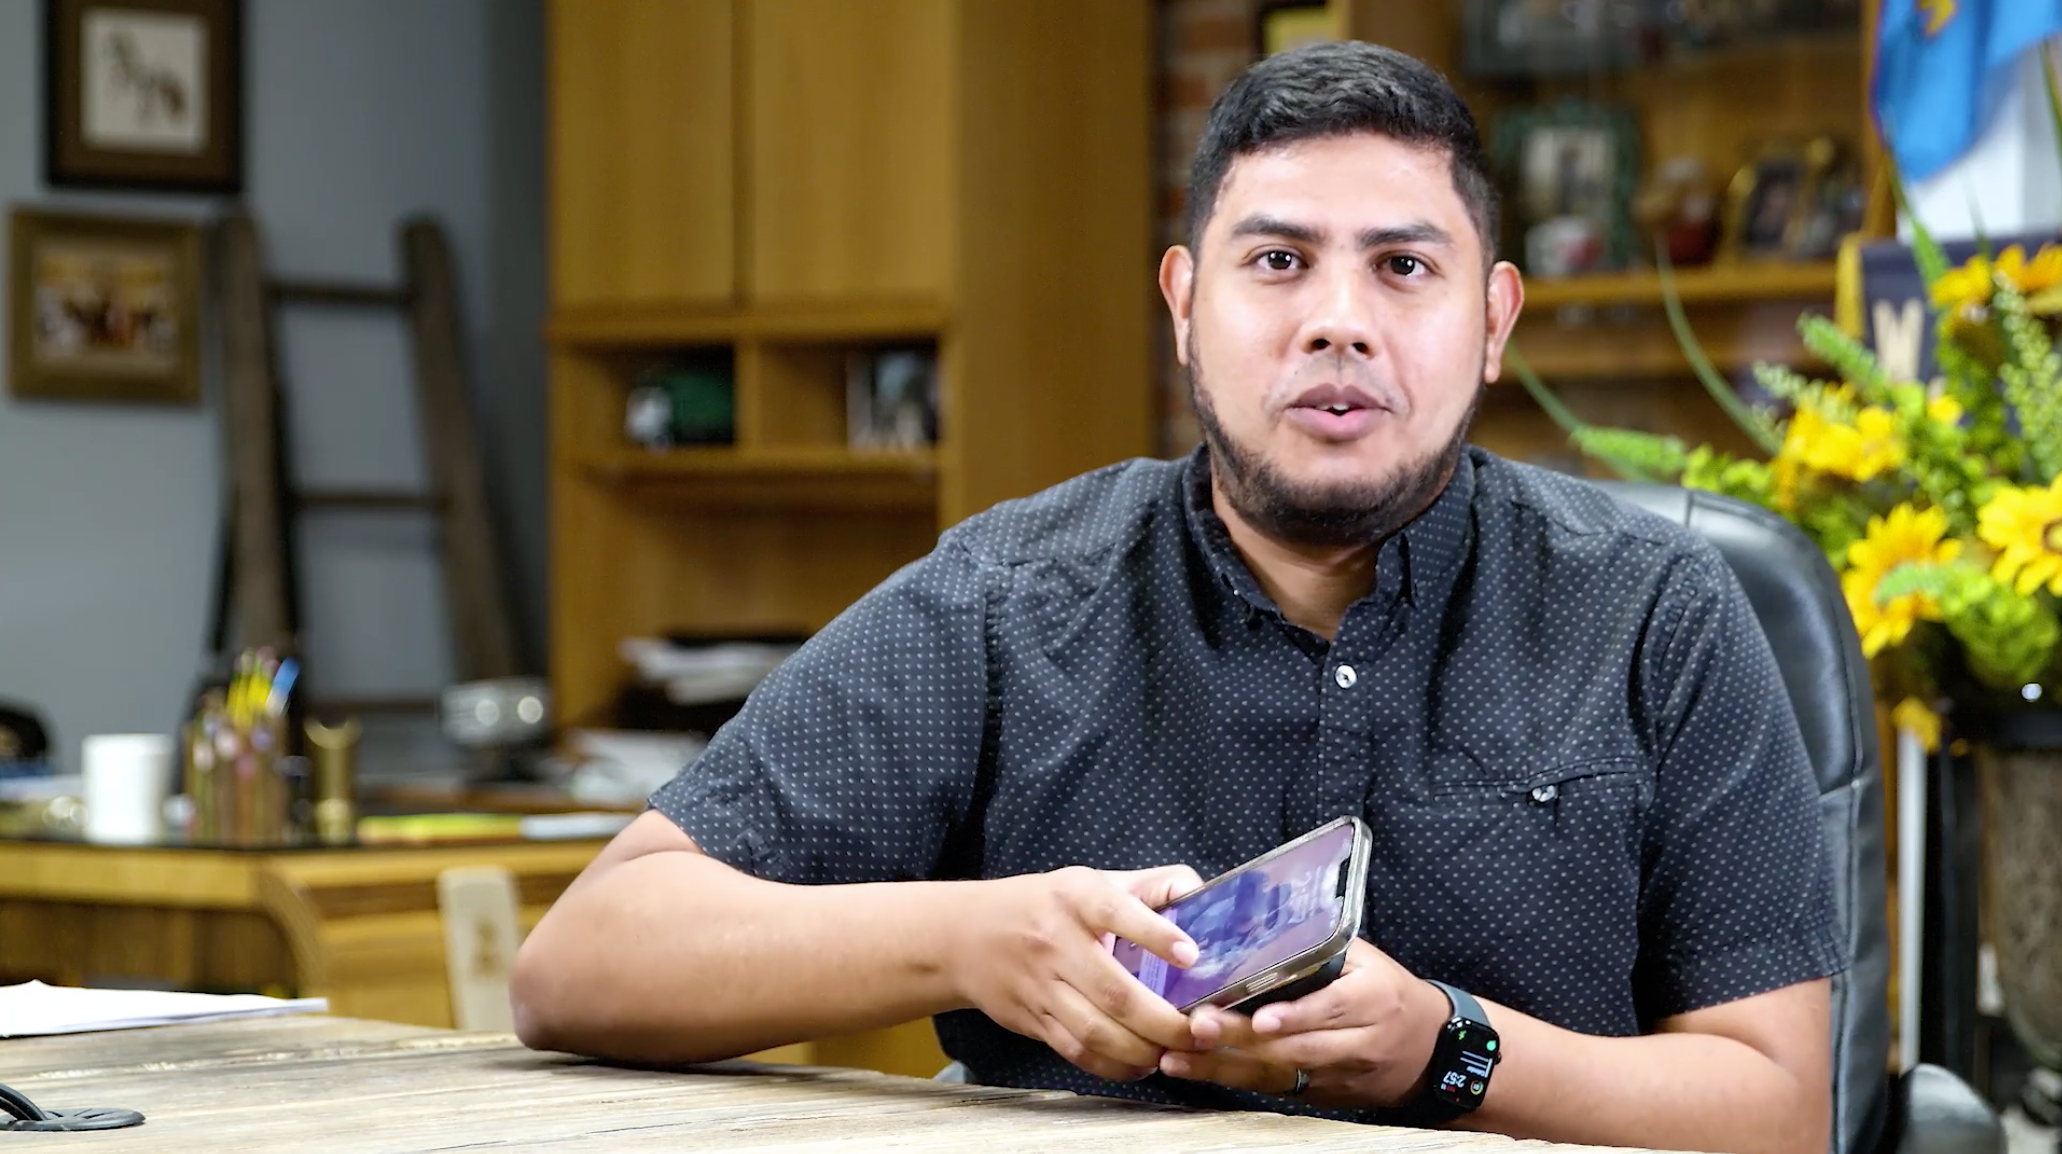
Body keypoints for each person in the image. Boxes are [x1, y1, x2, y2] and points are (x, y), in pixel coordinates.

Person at [512, 40, 1842, 1154]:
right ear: (1184, 300)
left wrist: (1449, 1050)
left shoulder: (1654, 614)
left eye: (1402, 267)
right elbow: (581, 963)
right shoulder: (1007, 603)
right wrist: (973, 938)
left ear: (1493, 321)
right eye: (1277, 262)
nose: (1337, 321)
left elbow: (1777, 1107)